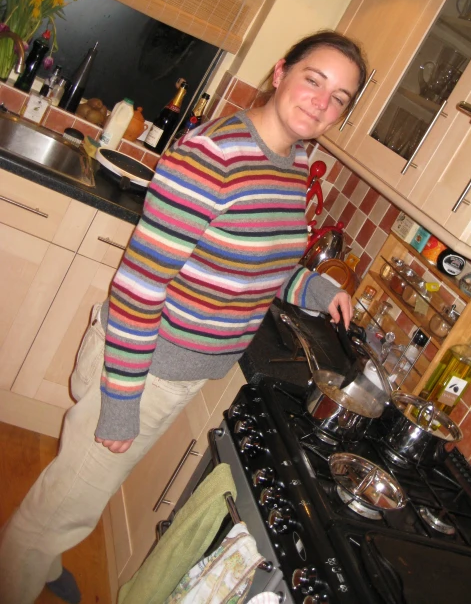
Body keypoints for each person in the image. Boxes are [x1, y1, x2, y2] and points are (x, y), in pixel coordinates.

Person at [0, 29, 368, 604]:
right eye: (313, 81)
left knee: (79, 492)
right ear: (280, 73)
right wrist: (121, 402)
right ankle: (22, 566)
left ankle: (39, 561)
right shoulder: (213, 154)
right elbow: (139, 287)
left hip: (174, 371)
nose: (322, 103)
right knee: (63, 504)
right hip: (142, 369)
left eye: (340, 97)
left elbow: (257, 260)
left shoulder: (291, 162)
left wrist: (314, 288)